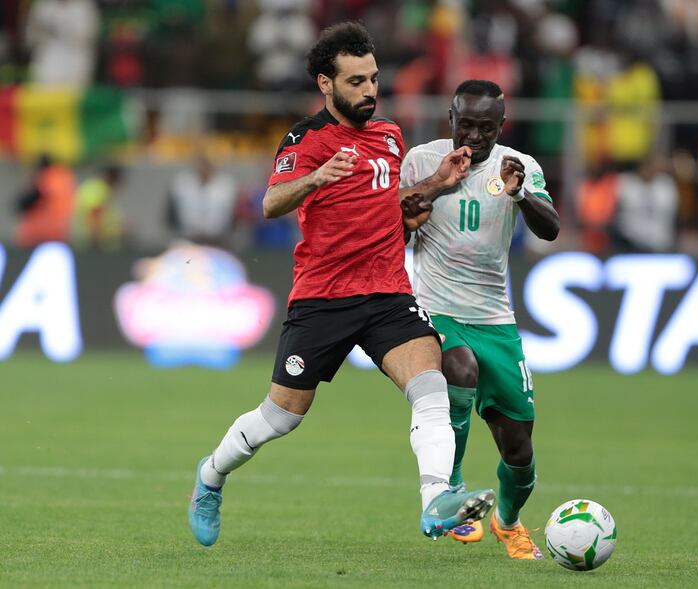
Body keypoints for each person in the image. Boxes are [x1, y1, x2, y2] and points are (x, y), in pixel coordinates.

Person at [187, 22, 495, 548]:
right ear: (325, 84)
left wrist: (437, 184)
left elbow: (390, 208)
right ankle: (211, 477)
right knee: (279, 418)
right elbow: (271, 202)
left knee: (431, 385)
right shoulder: (306, 141)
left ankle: (436, 501)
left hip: (387, 293)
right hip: (322, 298)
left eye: (373, 79)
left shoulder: (390, 136)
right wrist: (316, 177)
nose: (370, 91)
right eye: (356, 82)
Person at [400, 80, 560, 560]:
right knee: (459, 368)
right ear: (450, 118)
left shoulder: (519, 167)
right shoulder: (422, 162)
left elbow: (550, 228)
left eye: (485, 127)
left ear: (501, 126)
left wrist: (520, 195)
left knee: (519, 450)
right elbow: (393, 230)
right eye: (465, 123)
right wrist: (414, 213)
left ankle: (507, 523)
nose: (473, 135)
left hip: (495, 317)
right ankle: (450, 487)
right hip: (435, 307)